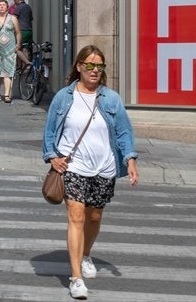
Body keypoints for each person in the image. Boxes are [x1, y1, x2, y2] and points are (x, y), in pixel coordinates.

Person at [42, 45, 138, 300]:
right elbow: (50, 130)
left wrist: (130, 159)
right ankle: (76, 278)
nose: (95, 71)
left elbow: (124, 131)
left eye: (100, 67)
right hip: (73, 166)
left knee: (94, 217)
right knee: (76, 217)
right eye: (90, 66)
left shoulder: (111, 99)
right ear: (79, 67)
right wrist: (52, 157)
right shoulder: (65, 97)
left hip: (104, 167)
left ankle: (85, 255)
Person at [0, 0, 21, 102]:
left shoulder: (13, 19)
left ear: (7, 7)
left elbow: (18, 32)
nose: (2, 7)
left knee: (8, 71)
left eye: (4, 5)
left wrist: (18, 43)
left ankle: (7, 94)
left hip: (9, 49)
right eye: (0, 5)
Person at [13, 0, 35, 65]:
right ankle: (24, 67)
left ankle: (26, 63)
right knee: (25, 48)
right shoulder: (28, 7)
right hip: (29, 30)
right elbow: (31, 18)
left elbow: (14, 19)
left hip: (21, 31)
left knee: (17, 48)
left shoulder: (18, 7)